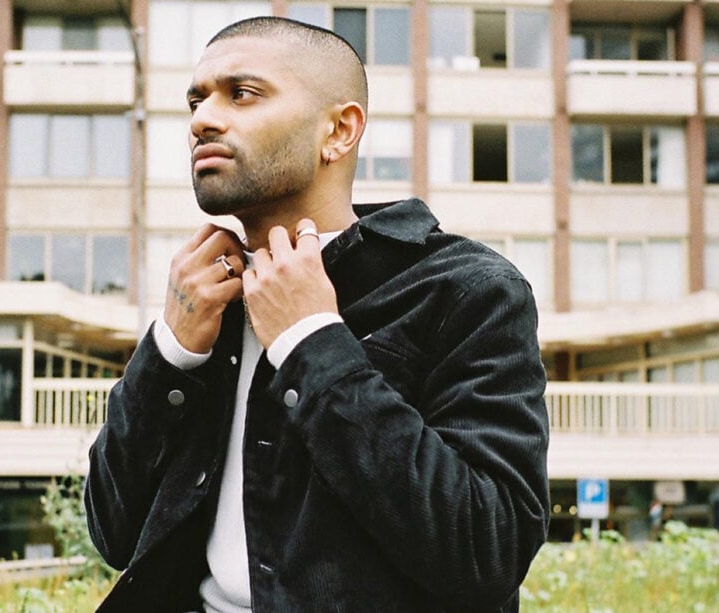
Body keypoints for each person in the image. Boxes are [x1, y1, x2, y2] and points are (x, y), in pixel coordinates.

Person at [85, 16, 550, 612]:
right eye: (196, 100)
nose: (202, 118)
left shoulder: (465, 290)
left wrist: (312, 342)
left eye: (242, 93)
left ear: (339, 130)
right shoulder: (206, 301)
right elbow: (114, 533)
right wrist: (170, 353)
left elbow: (489, 550)